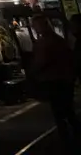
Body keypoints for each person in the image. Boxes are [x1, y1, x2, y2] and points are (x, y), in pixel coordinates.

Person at [28, 14, 77, 150]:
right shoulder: (58, 39)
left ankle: (66, 139)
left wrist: (33, 72)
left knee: (59, 111)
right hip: (65, 79)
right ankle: (73, 133)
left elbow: (41, 61)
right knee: (67, 109)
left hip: (54, 80)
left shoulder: (45, 42)